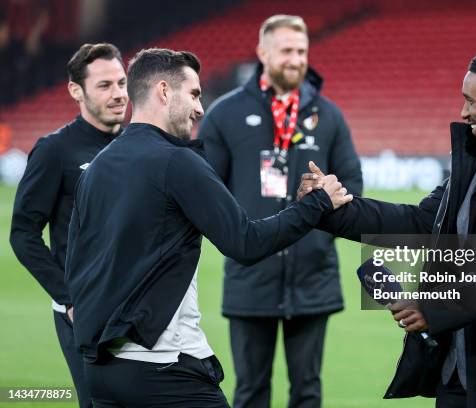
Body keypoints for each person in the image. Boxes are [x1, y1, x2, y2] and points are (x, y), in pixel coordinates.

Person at [300, 49, 476, 408]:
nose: (463, 112)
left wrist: (437, 306)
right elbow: (419, 223)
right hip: (458, 372)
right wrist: (329, 209)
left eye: (470, 100)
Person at [64, 47, 352, 408]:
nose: (201, 108)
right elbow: (246, 242)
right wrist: (317, 203)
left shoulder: (99, 166)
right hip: (164, 368)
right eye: (195, 94)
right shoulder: (178, 161)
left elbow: (75, 262)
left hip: (102, 373)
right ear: (164, 91)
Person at [198, 14, 363, 408]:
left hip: (313, 278)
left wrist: (325, 197)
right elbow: (206, 191)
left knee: (307, 392)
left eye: (302, 51)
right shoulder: (225, 114)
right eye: (287, 50)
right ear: (262, 53)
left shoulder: (329, 116)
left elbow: (352, 187)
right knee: (251, 392)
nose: (296, 59)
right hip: (250, 276)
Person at [10, 42, 128, 408]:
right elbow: (23, 234)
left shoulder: (138, 144)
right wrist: (69, 297)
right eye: (105, 86)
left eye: (122, 83)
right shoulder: (54, 150)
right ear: (76, 91)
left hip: (140, 307)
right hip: (85, 310)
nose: (119, 94)